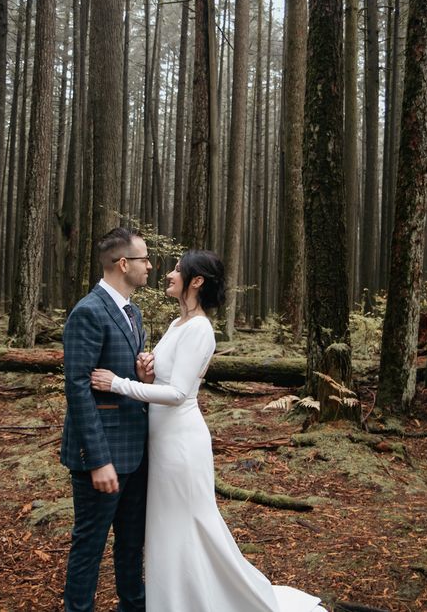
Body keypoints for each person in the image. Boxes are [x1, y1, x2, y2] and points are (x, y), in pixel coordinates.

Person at [91, 250, 325, 612]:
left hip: (182, 445)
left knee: (190, 523)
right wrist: (145, 374)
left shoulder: (201, 329)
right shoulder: (176, 325)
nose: (168, 274)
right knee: (168, 527)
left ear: (196, 281)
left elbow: (179, 393)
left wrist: (119, 384)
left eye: (177, 270)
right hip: (162, 441)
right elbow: (164, 381)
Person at [60, 227, 156, 612]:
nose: (149, 266)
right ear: (122, 263)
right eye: (143, 259)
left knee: (132, 543)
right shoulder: (88, 312)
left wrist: (144, 378)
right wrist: (98, 460)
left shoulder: (133, 312)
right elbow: (77, 387)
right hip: (102, 456)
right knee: (90, 544)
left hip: (136, 450)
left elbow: (125, 379)